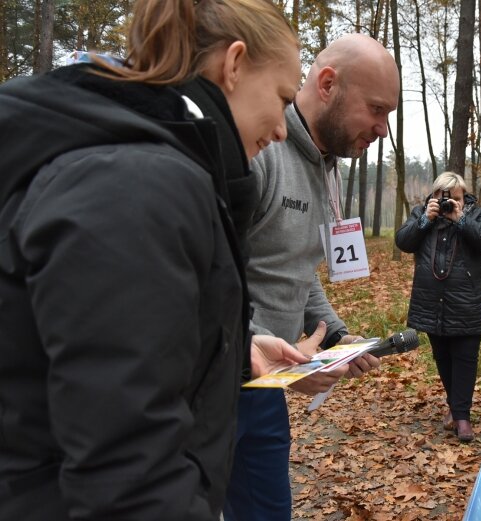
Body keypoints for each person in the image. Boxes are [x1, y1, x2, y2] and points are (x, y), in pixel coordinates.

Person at [0, 1, 309, 519]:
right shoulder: (134, 182)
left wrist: (227, 347)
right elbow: (127, 471)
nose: (281, 129)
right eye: (282, 99)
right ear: (233, 65)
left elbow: (102, 350)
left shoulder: (135, 159)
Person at [224, 33, 399, 521]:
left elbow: (298, 266)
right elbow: (205, 275)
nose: (383, 129)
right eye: (377, 110)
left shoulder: (328, 168)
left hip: (268, 387)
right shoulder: (259, 150)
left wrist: (340, 335)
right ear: (327, 84)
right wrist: (254, 348)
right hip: (218, 381)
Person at [394, 172, 481, 443]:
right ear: (434, 196)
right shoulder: (422, 213)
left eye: (456, 197)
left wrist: (461, 219)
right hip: (432, 301)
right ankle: (456, 408)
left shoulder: (476, 215)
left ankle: (462, 416)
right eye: (444, 197)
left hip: (467, 302)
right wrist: (423, 221)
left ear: (465, 197)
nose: (449, 202)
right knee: (442, 356)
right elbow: (403, 242)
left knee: (465, 356)